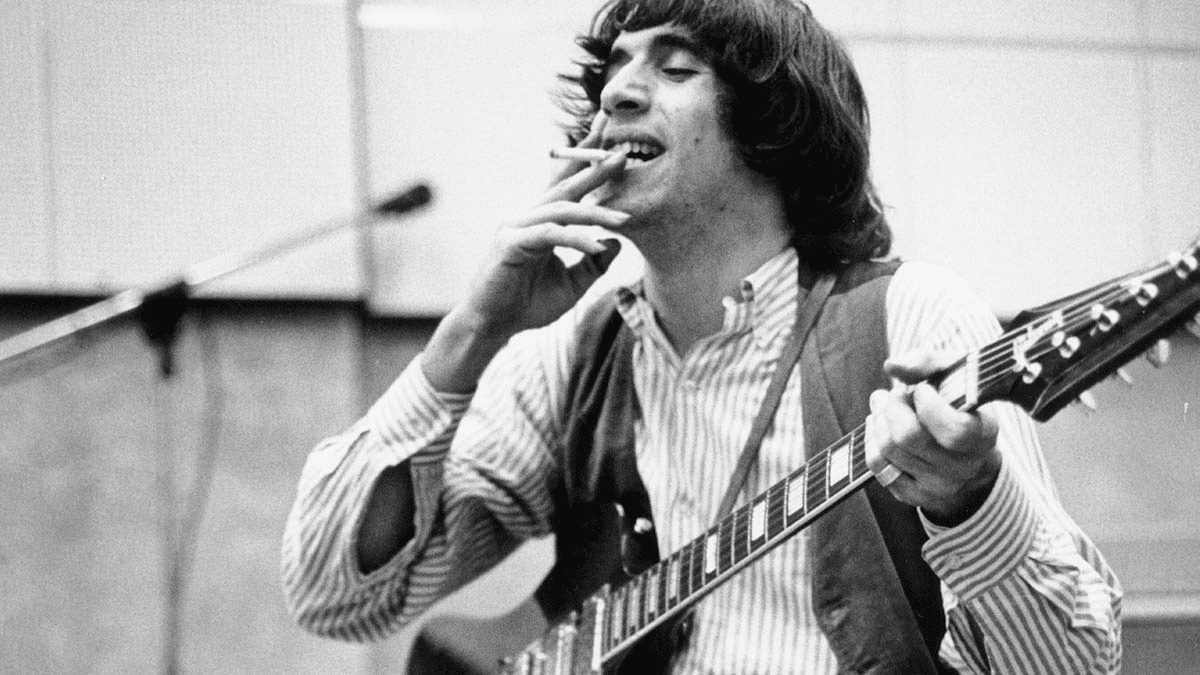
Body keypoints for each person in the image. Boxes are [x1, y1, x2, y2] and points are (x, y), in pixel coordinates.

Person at [282, 0, 1122, 672]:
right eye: (614, 69)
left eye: (674, 67)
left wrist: (971, 497)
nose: (616, 93)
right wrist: (470, 333)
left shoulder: (915, 318)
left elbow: (1076, 664)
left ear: (774, 125)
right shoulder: (570, 354)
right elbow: (335, 597)